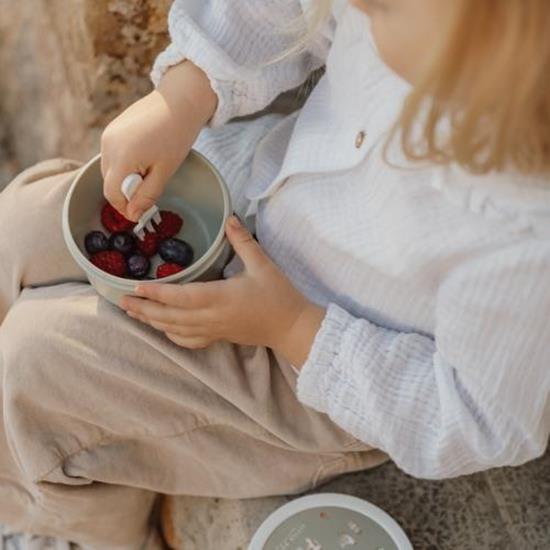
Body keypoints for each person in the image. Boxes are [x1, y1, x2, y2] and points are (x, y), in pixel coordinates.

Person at [1, 0, 549, 547]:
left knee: (34, 367)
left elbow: (477, 421)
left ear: (503, 53)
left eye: (381, 8)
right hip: (250, 195)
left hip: (306, 366)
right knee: (16, 230)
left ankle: (77, 528)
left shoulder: (525, 242)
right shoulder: (433, 20)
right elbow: (283, 9)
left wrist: (289, 327)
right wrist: (188, 92)